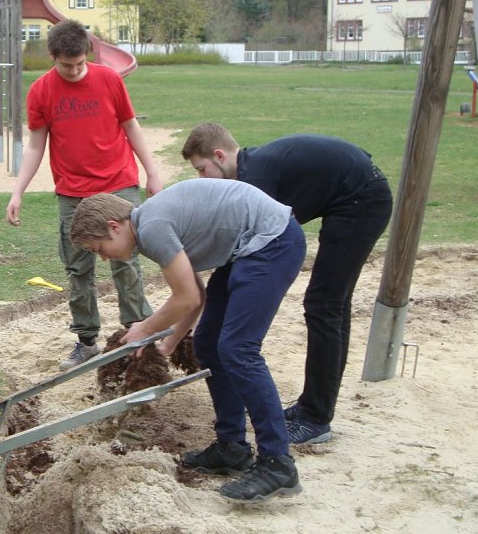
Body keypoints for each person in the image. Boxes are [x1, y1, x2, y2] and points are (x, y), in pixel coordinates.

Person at [69, 179, 306, 503]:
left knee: (239, 349)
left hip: (272, 242)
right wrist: (167, 344)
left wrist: (144, 329)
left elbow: (186, 297)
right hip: (247, 249)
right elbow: (196, 298)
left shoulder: (152, 228)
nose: (104, 258)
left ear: (114, 227)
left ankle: (278, 464)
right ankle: (232, 447)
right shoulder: (150, 226)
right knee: (208, 343)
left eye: (99, 250)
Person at [181, 123, 393, 444]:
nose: (201, 178)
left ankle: (317, 417)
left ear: (220, 155)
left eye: (202, 169)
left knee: (324, 305)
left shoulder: (256, 180)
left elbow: (244, 249)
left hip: (362, 200)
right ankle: (313, 405)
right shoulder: (252, 170)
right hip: (346, 196)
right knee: (329, 306)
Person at [6, 19, 163, 370]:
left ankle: (137, 333)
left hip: (118, 182)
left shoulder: (109, 79)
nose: (75, 71)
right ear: (52, 57)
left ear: (87, 54)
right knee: (78, 270)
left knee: (126, 262)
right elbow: (35, 145)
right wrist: (18, 192)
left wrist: (152, 172)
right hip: (72, 192)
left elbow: (130, 126)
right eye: (66, 65)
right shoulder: (41, 92)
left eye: (79, 63)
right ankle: (87, 341)